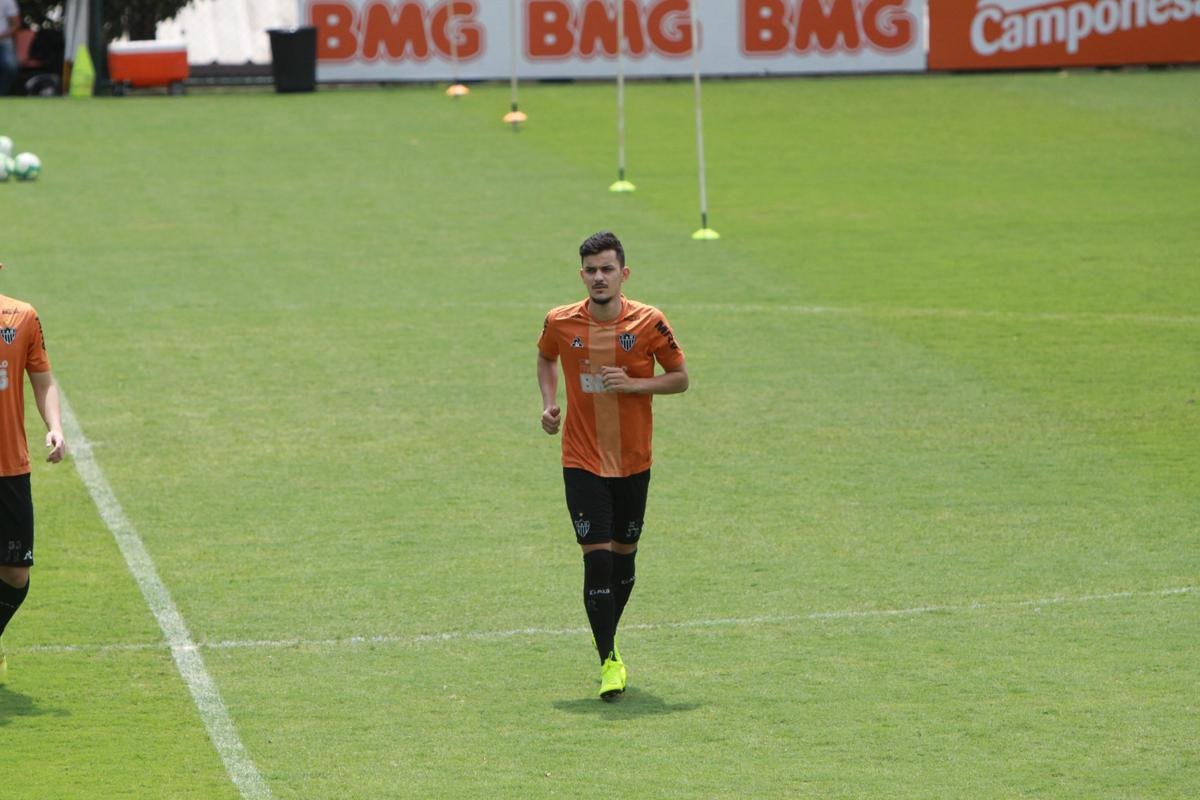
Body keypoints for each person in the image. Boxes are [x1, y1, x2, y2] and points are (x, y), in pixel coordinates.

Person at [537, 230, 689, 700]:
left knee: (624, 558)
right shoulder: (560, 321)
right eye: (591, 270)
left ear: (624, 274)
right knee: (598, 559)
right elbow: (545, 357)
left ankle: (608, 636)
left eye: (607, 269)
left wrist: (634, 384)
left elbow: (680, 378)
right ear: (581, 275)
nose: (598, 277)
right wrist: (549, 403)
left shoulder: (649, 322)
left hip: (633, 460)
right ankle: (609, 659)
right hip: (581, 460)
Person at [0, 259, 66, 678]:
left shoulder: (22, 316)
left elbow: (43, 381)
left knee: (16, 574)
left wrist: (55, 427)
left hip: (9, 466)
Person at [0, 0, 19, 97]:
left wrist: (2, 36)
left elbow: (16, 25)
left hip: (4, 41)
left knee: (11, 66)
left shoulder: (7, 1)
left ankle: (2, 94)